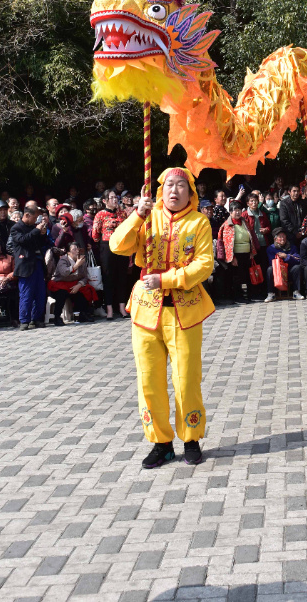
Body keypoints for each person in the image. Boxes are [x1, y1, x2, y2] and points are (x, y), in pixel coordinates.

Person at [110, 167, 215, 469]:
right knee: (149, 381)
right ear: (160, 190)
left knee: (186, 380)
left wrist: (167, 280)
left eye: (181, 185)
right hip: (146, 310)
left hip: (185, 311)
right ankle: (161, 443)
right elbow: (117, 245)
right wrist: (137, 215)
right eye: (169, 184)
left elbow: (204, 265)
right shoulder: (147, 217)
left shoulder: (199, 222)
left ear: (191, 192)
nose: (174, 190)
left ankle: (191, 438)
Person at [8, 202, 52, 330]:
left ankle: (37, 319)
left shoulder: (34, 227)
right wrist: (37, 230)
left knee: (40, 293)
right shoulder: (16, 228)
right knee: (26, 294)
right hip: (25, 265)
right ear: (27, 215)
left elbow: (40, 243)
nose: (36, 220)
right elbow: (23, 240)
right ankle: (24, 321)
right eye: (34, 217)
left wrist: (42, 234)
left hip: (38, 262)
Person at [92, 191, 130, 320]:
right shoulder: (100, 214)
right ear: (105, 201)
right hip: (107, 247)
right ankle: (109, 309)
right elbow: (95, 235)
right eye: (112, 198)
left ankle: (122, 307)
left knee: (122, 278)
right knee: (108, 278)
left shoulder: (123, 213)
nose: (115, 200)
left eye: (116, 197)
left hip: (122, 247)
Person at [218, 201, 262, 303]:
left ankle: (250, 296)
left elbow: (251, 237)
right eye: (235, 210)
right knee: (237, 277)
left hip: (247, 253)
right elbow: (226, 243)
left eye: (239, 210)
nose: (237, 212)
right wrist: (232, 257)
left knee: (248, 275)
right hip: (235, 255)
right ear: (230, 212)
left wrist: (252, 251)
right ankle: (238, 297)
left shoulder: (245, 222)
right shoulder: (227, 225)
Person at [50, 241, 98, 323]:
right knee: (62, 294)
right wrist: (76, 265)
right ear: (68, 252)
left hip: (74, 283)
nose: (77, 251)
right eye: (74, 249)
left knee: (84, 292)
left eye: (78, 249)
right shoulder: (63, 260)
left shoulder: (81, 260)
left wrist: (79, 285)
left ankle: (83, 314)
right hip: (60, 284)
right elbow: (64, 273)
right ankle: (57, 317)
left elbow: (85, 277)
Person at [265, 229, 300, 302]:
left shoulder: (292, 247)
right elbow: (271, 262)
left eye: (284, 236)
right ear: (275, 239)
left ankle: (296, 292)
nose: (282, 238)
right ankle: (271, 293)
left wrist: (286, 256)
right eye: (280, 237)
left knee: (297, 268)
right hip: (278, 272)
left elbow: (298, 259)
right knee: (269, 269)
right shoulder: (271, 248)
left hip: (289, 270)